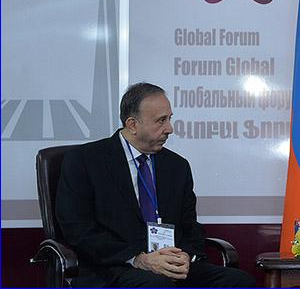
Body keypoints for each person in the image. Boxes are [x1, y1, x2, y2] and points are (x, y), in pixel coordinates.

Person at [56, 82, 255, 287]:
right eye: (161, 121)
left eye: (169, 119)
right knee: (157, 285)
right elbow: (77, 230)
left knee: (239, 281)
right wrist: (139, 259)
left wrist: (186, 256)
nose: (169, 129)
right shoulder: (85, 160)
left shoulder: (177, 166)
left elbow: (191, 228)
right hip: (113, 267)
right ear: (132, 124)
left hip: (169, 267)